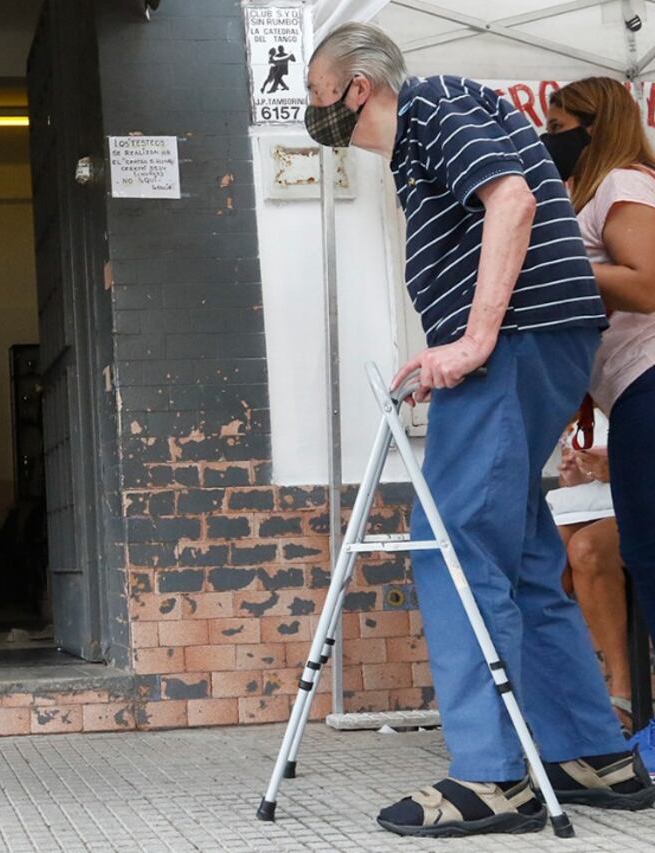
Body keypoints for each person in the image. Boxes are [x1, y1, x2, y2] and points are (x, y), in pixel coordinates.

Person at [305, 23, 654, 836]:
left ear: (357, 87)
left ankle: (495, 776)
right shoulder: (434, 127)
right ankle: (588, 750)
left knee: (451, 545)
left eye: (318, 96)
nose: (315, 115)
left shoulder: (433, 107)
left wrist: (474, 339)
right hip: (543, 342)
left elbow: (513, 198)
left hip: (520, 343)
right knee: (525, 552)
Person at [544, 76, 655, 769]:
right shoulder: (599, 192)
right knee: (639, 555)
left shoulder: (622, 181)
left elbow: (648, 281)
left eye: (560, 122)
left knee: (649, 556)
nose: (550, 136)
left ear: (596, 125)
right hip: (632, 395)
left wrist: (564, 265)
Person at [548, 415, 629, 734]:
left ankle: (624, 689)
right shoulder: (581, 400)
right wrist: (578, 476)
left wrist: (623, 469)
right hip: (603, 508)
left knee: (587, 549)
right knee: (545, 557)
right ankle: (567, 695)